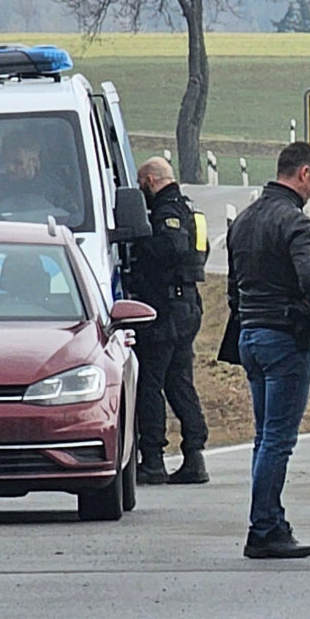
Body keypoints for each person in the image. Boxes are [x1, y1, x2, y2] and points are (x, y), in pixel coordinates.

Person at [224, 142, 310, 559]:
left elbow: (233, 286)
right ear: (303, 173)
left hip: (250, 333)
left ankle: (269, 517)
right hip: (285, 337)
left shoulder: (245, 219)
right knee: (278, 441)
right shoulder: (295, 222)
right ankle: (264, 527)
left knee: (263, 438)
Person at [126, 157, 210, 485]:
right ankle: (194, 455)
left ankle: (154, 459)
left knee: (151, 382)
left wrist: (136, 240)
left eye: (141, 183)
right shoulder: (187, 207)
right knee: (178, 381)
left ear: (149, 180)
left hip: (166, 308)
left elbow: (170, 247)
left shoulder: (167, 211)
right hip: (186, 305)